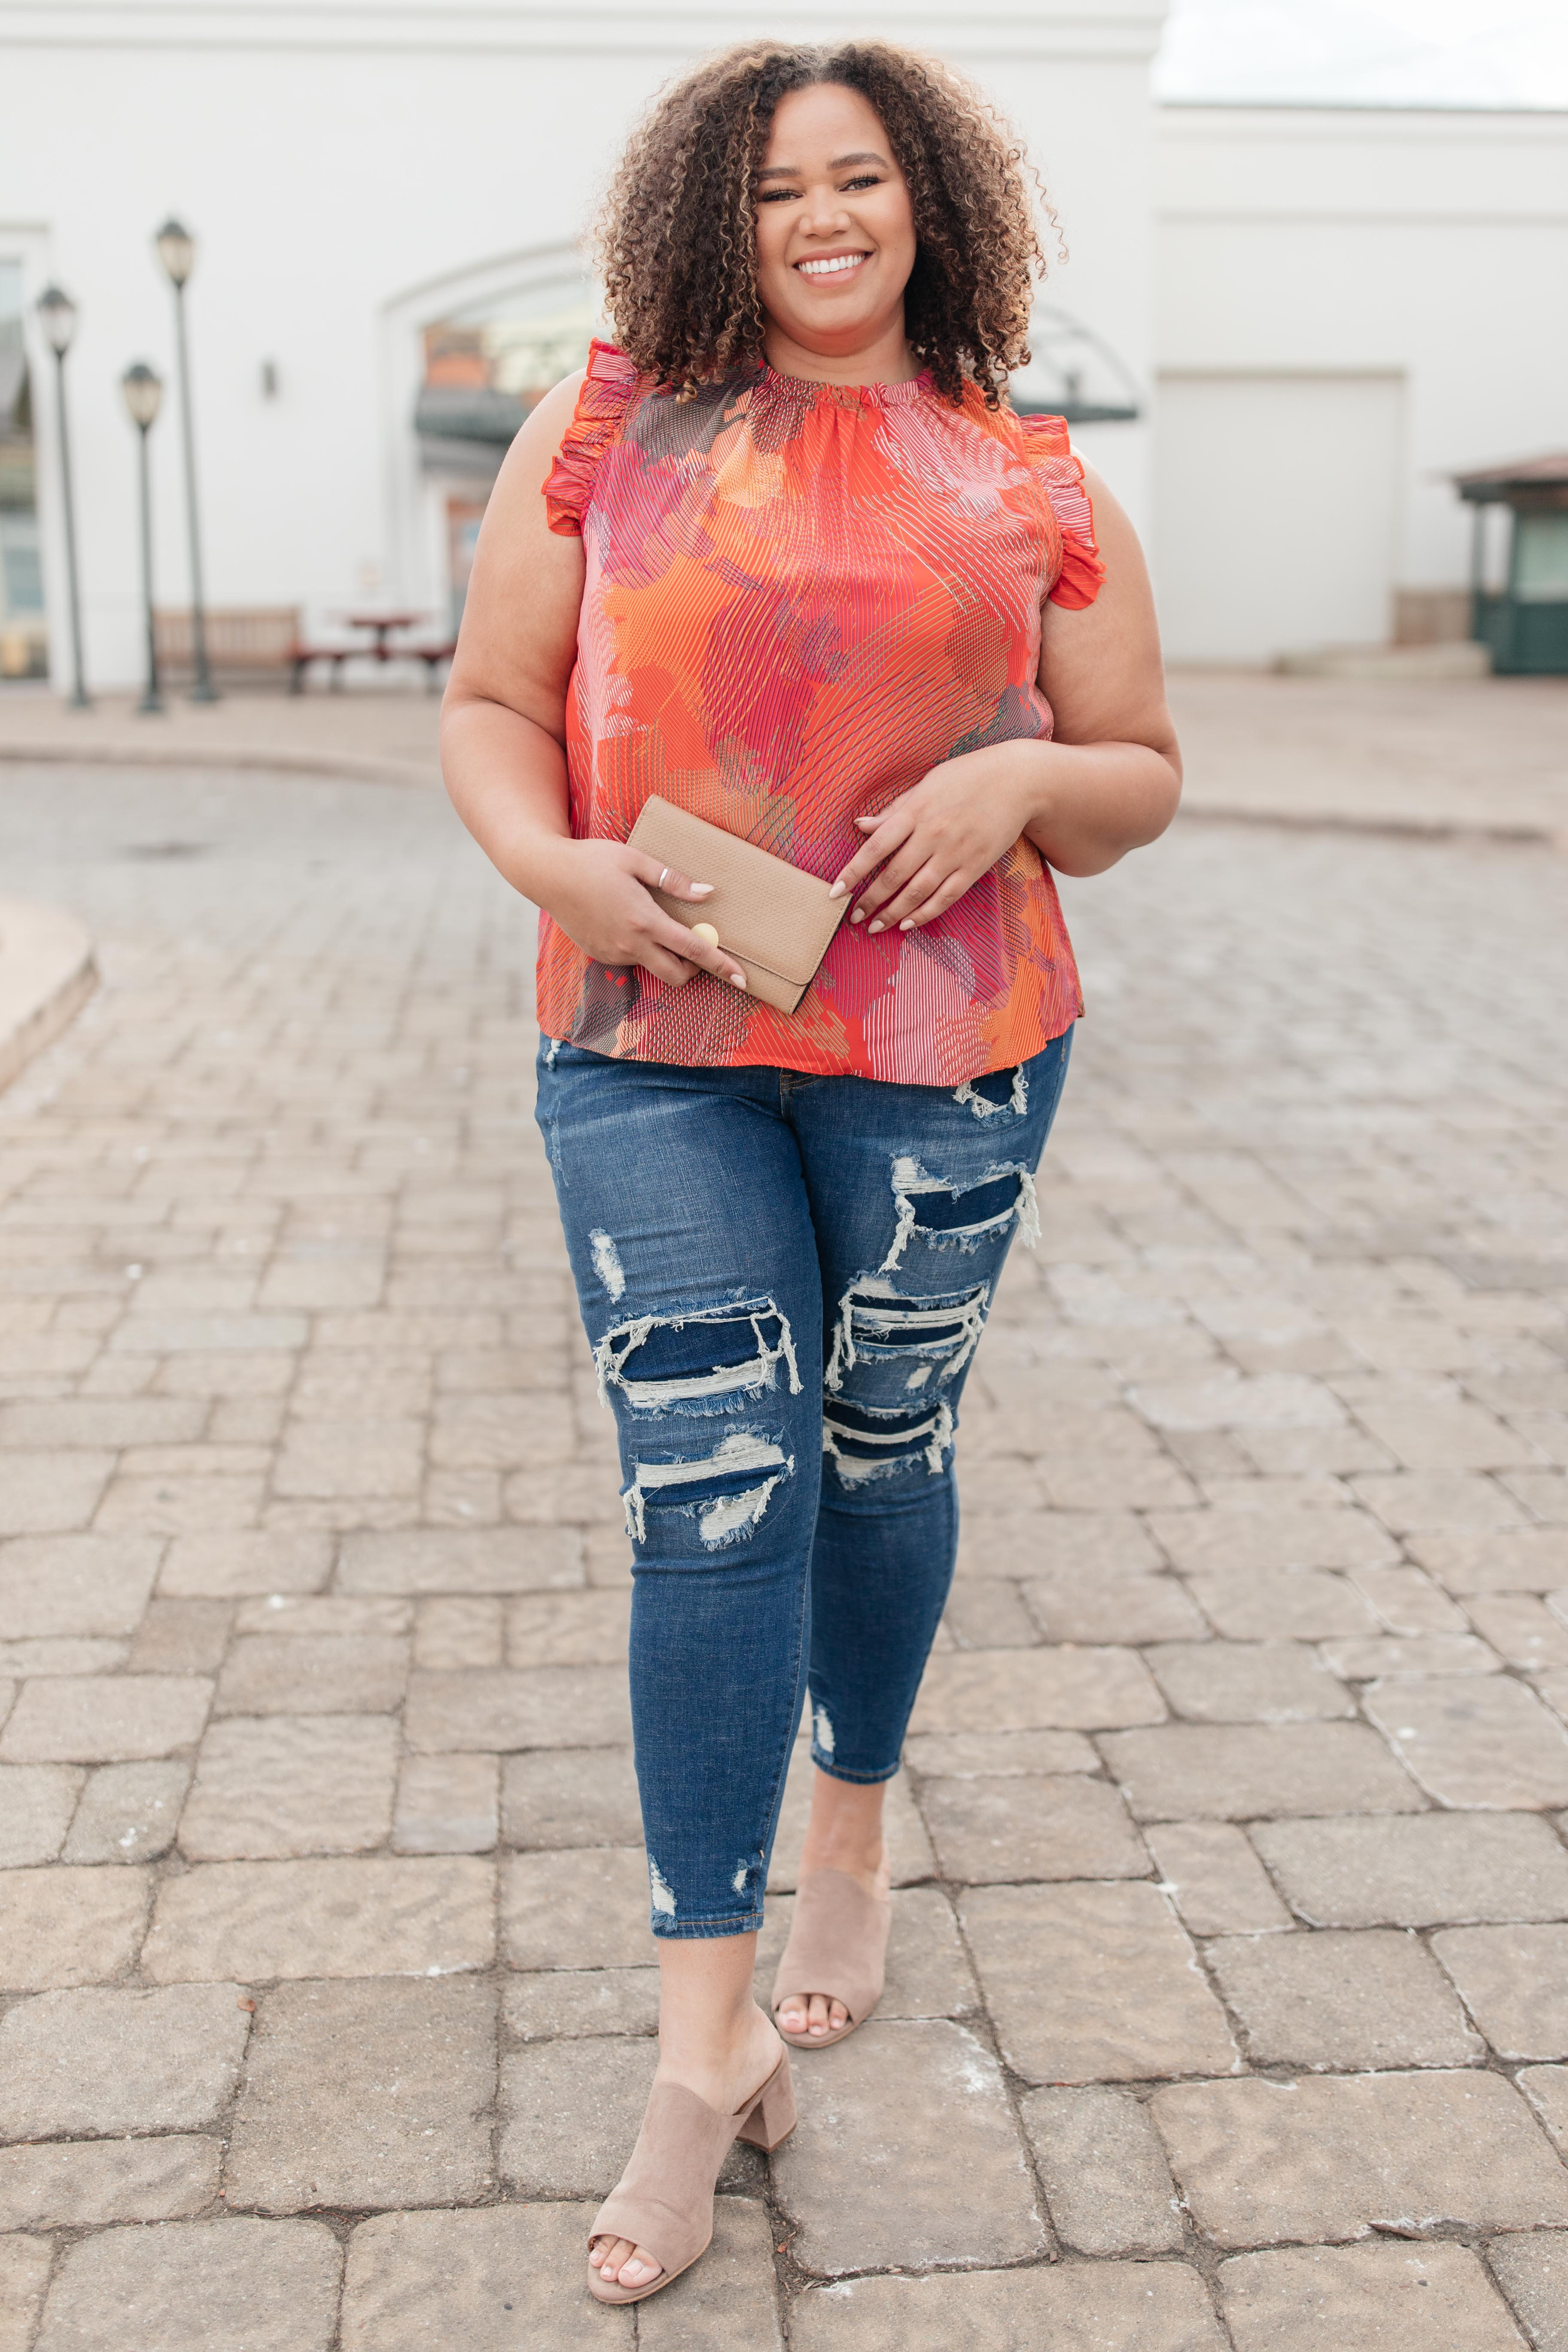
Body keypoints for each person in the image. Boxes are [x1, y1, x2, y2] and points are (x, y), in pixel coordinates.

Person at [442, 37, 1180, 2306]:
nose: (823, 219)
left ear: (927, 206)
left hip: (942, 1050)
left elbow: (1144, 762)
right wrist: (558, 854)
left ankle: (847, 1816)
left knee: (878, 1442)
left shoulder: (1031, 473)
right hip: (649, 1038)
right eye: (778, 191)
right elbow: (486, 703)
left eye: (859, 180)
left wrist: (1023, 790)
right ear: (715, 222)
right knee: (707, 1486)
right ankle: (700, 2050)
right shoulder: (594, 439)